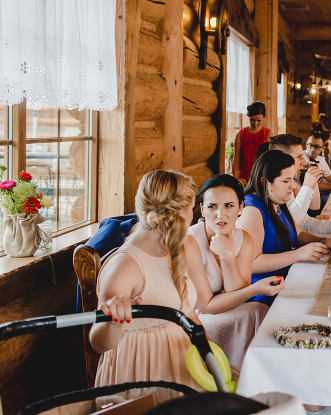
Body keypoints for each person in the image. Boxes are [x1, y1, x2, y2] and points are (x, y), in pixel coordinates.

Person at [91, 170, 202, 397]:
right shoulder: (125, 266)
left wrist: (209, 355)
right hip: (142, 372)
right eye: (193, 209)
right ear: (180, 212)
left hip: (185, 364)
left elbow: (189, 313)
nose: (194, 215)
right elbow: (99, 344)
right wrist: (113, 322)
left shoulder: (179, 248)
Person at [184, 174, 284, 368]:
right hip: (197, 321)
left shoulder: (244, 239)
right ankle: (245, 374)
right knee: (257, 312)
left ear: (240, 208)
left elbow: (237, 294)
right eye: (212, 206)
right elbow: (205, 306)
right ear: (202, 209)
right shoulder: (190, 241)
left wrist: (227, 255)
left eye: (228, 206)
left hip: (227, 309)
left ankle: (260, 372)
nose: (220, 215)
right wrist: (255, 289)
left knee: (259, 311)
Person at [237, 150, 331, 305]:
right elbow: (252, 263)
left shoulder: (276, 200)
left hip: (287, 277)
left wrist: (324, 241)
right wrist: (298, 255)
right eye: (286, 181)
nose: (293, 186)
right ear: (264, 182)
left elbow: (298, 234)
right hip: (264, 291)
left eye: (293, 179)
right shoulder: (252, 210)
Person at [271, 135, 331, 236]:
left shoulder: (291, 183)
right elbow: (291, 221)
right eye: (299, 157)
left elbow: (305, 220)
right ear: (283, 159)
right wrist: (307, 187)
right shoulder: (273, 188)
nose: (304, 161)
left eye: (303, 156)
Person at [234, 101, 271, 180]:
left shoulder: (268, 134)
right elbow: (236, 159)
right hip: (244, 177)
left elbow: (271, 160)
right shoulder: (240, 134)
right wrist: (235, 179)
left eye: (259, 121)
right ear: (248, 117)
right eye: (252, 120)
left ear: (263, 118)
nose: (255, 123)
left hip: (262, 177)